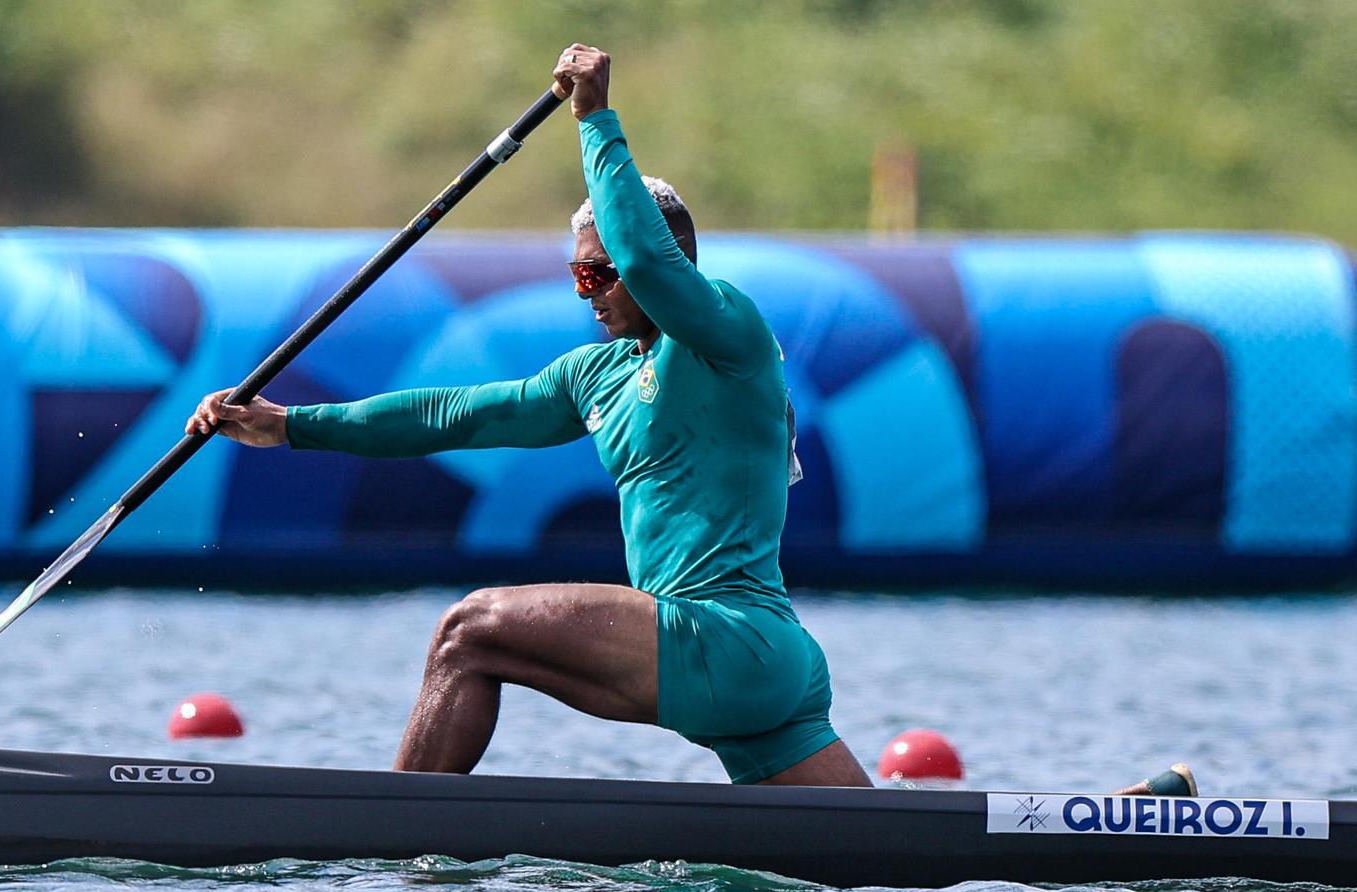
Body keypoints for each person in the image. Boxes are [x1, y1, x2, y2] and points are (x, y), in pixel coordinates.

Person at [187, 45, 1194, 797]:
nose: (586, 290)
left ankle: (393, 831)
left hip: (727, 637)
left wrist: (596, 121)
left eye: (598, 271)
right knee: (894, 850)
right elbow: (453, 411)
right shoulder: (598, 373)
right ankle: (1119, 818)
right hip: (756, 670)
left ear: (657, 262)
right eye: (575, 272)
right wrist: (291, 427)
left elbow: (648, 255)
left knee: (468, 631)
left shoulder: (725, 337)